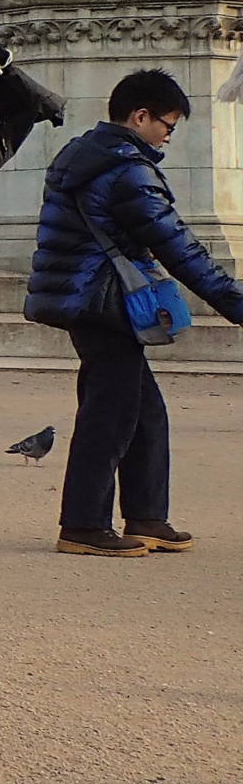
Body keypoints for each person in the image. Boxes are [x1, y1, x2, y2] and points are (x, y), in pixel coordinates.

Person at [24, 68, 239, 557]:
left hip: (86, 296)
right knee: (112, 412)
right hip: (105, 301)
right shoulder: (126, 169)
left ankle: (145, 516)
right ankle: (82, 525)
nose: (169, 134)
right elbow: (177, 245)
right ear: (139, 116)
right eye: (167, 123)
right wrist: (233, 300)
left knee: (143, 411)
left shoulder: (87, 155)